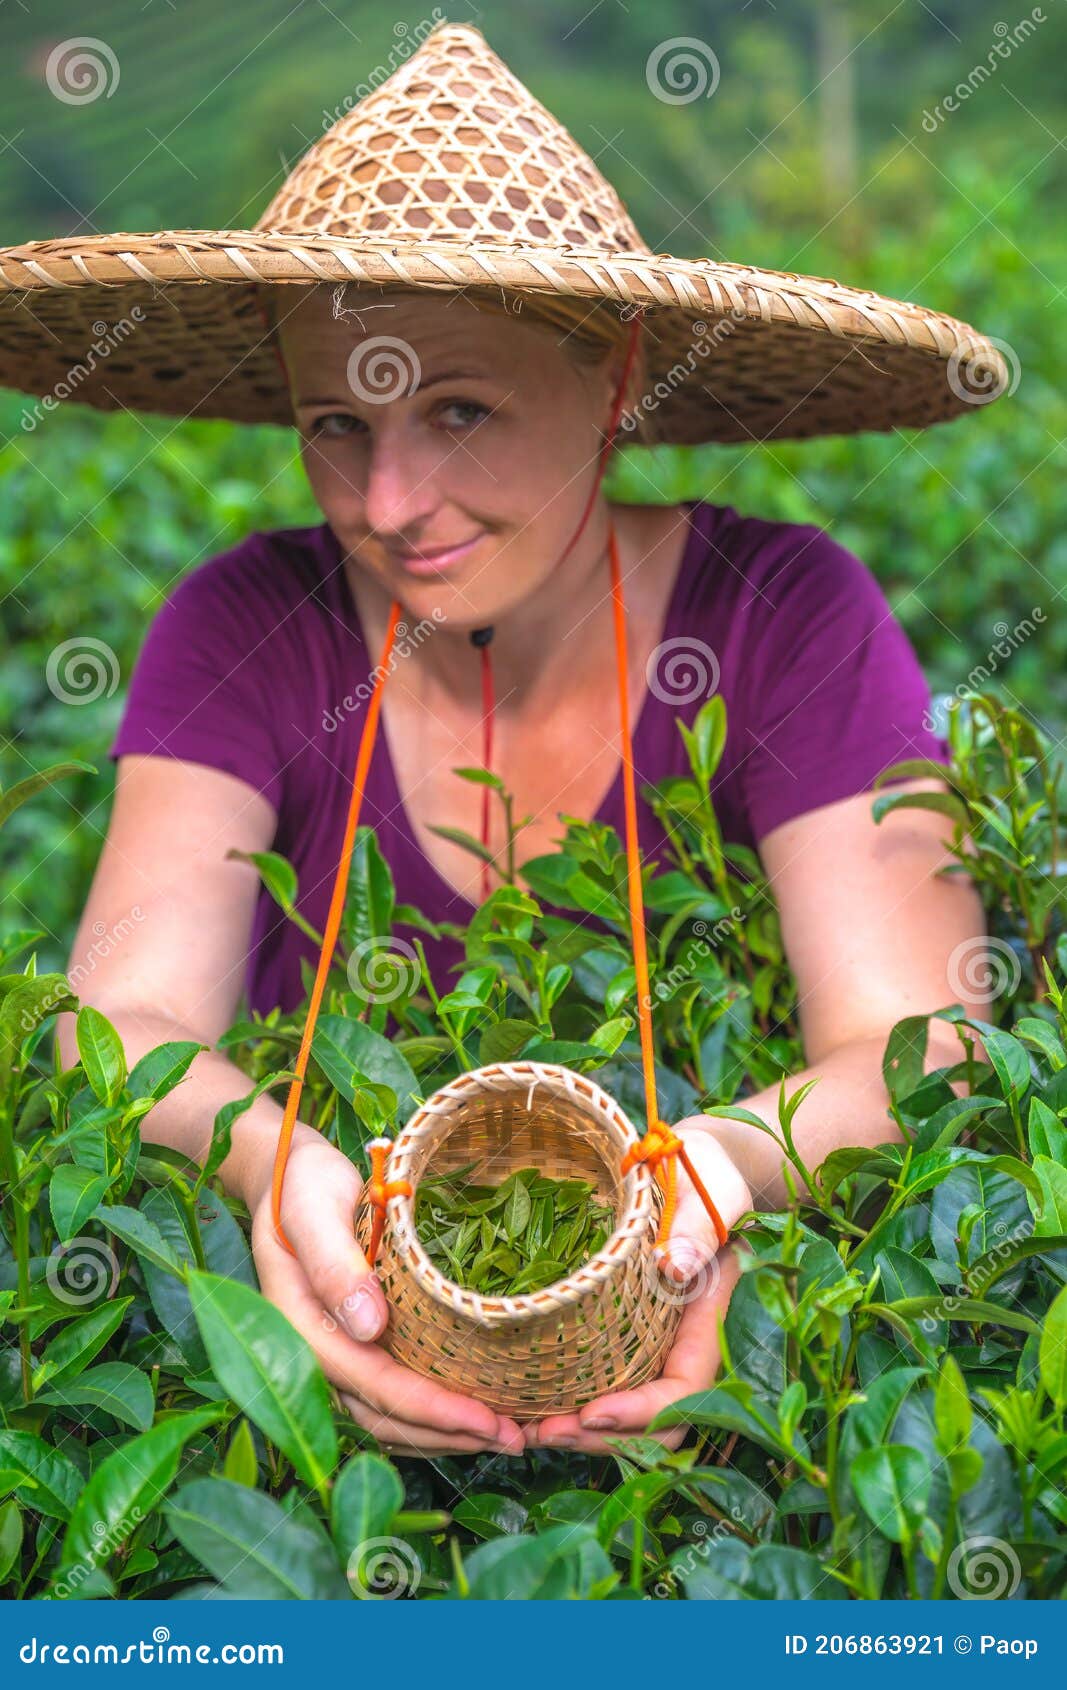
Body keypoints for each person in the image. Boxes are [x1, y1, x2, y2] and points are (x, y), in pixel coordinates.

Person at [0, 23, 1000, 1458]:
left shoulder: (783, 617)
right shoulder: (246, 627)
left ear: (615, 380)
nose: (391, 500)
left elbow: (925, 1039)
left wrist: (715, 1172)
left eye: (458, 411)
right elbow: (118, 1023)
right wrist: (278, 1168)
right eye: (336, 422)